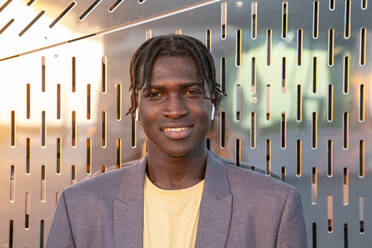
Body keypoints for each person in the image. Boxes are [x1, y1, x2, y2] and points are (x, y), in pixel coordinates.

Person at [46, 34, 307, 248]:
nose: (175, 109)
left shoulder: (274, 205)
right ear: (137, 106)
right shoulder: (80, 206)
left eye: (191, 92)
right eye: (156, 93)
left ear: (213, 102)